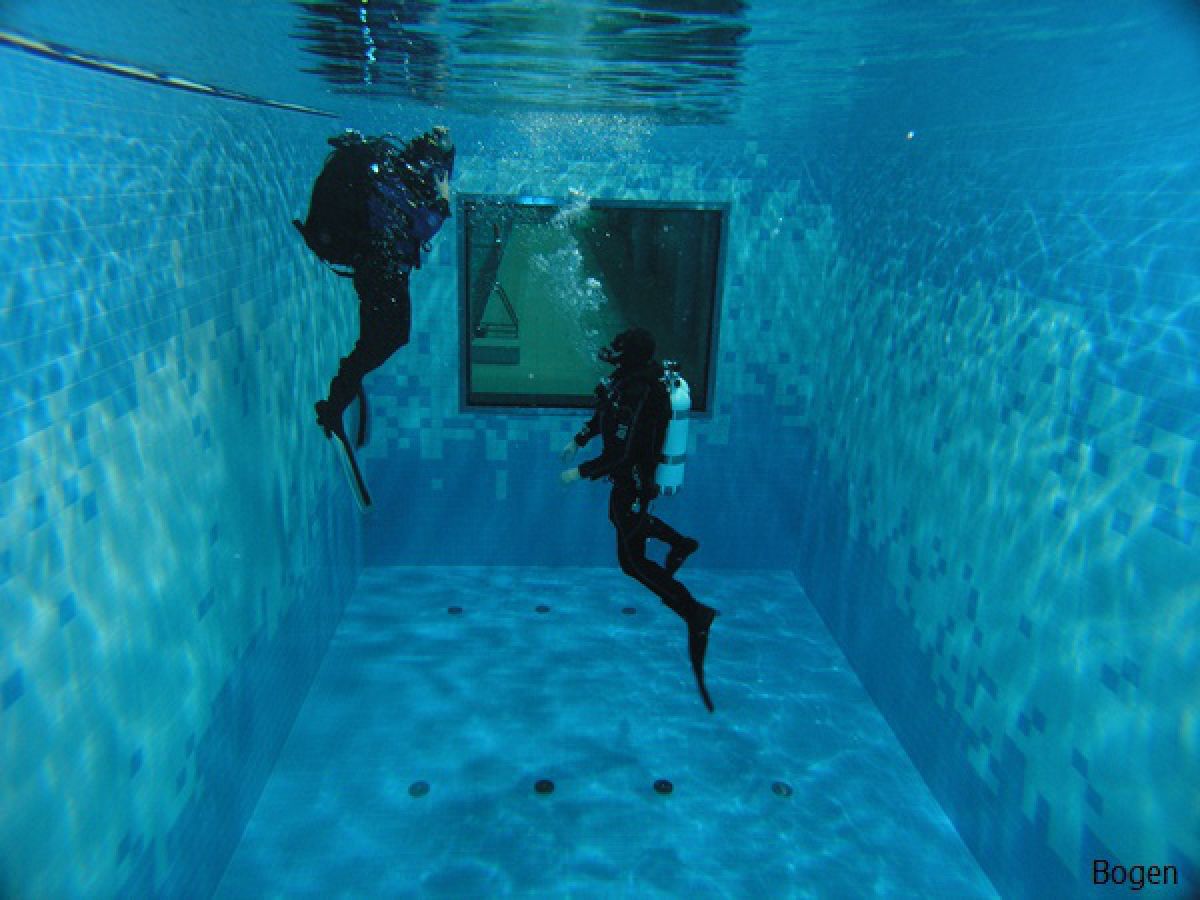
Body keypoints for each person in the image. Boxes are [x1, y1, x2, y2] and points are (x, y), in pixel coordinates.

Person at [560, 328, 716, 712]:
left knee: (631, 562)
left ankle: (694, 611)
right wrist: (580, 439)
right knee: (622, 521)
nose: (611, 355)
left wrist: (581, 472)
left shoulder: (643, 392)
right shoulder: (625, 383)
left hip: (634, 478)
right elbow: (606, 414)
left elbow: (625, 453)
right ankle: (680, 544)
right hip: (624, 479)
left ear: (629, 355)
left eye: (618, 350)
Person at [295, 125, 455, 440]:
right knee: (388, 337)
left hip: (378, 269)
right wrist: (442, 202)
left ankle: (348, 380)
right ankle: (335, 403)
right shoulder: (402, 180)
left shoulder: (393, 169)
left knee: (385, 338)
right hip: (381, 273)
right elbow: (420, 227)